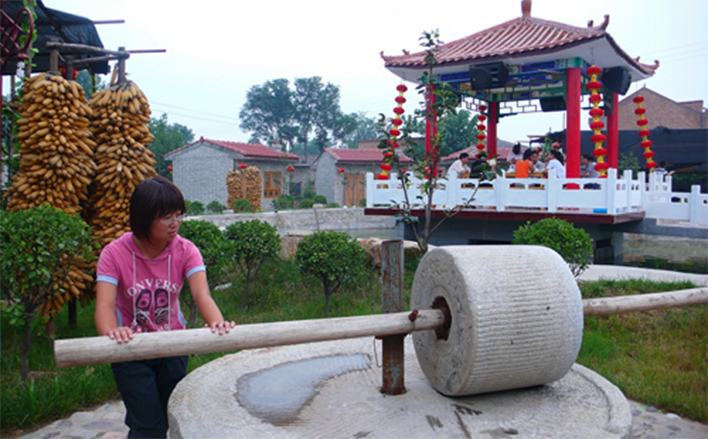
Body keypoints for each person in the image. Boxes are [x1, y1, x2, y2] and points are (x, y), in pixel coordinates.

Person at [95, 177, 235, 438]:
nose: (175, 223)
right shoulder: (113, 254)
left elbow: (201, 294)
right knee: (148, 425)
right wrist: (111, 333)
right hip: (131, 350)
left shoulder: (185, 250)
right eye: (166, 217)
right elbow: (104, 305)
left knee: (170, 417)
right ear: (144, 217)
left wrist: (217, 322)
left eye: (178, 215)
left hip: (173, 346)